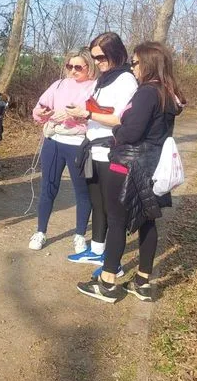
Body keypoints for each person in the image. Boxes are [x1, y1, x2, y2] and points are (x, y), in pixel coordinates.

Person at [76, 42, 185, 302]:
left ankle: (108, 282)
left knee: (117, 222)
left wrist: (116, 131)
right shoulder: (168, 92)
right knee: (147, 221)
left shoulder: (147, 92)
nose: (132, 67)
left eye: (135, 63)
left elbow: (130, 131)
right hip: (152, 167)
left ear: (148, 63)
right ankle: (142, 282)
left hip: (126, 164)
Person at [65, 32, 137, 271]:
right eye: (95, 57)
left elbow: (119, 118)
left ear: (116, 52)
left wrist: (88, 114)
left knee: (111, 208)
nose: (98, 62)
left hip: (110, 150)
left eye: (101, 56)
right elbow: (94, 107)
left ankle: (112, 262)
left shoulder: (126, 80)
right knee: (97, 203)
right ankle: (97, 250)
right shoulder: (103, 80)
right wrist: (79, 111)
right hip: (92, 148)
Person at [28, 48, 98, 251]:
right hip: (53, 142)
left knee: (82, 192)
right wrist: (42, 113)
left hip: (79, 145)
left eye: (78, 67)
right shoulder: (58, 85)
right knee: (48, 188)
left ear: (89, 68)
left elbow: (94, 118)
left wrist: (73, 117)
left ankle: (79, 234)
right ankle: (40, 231)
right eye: (69, 66)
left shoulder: (95, 88)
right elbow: (38, 110)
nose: (72, 71)